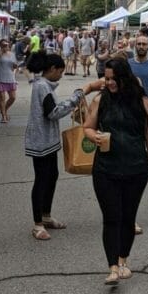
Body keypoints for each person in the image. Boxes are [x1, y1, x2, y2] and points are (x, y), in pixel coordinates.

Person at [83, 58, 148, 285]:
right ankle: (113, 268)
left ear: (124, 78)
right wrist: (94, 136)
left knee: (128, 219)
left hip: (135, 170)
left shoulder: (142, 102)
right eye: (106, 79)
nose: (108, 83)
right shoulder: (101, 100)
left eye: (112, 79)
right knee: (111, 218)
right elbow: (87, 127)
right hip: (105, 169)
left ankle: (123, 260)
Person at [24, 52, 103, 240]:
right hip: (40, 142)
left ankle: (46, 216)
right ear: (52, 69)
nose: (61, 75)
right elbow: (53, 112)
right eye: (60, 71)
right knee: (42, 180)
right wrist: (77, 96)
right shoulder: (42, 86)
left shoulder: (44, 85)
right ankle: (37, 224)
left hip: (48, 141)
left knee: (52, 176)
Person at [0, 40, 19, 124]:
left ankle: (4, 110)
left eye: (6, 45)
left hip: (10, 77)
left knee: (13, 97)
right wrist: (1, 52)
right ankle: (4, 116)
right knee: (2, 98)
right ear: (0, 45)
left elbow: (14, 66)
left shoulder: (12, 54)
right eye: (3, 45)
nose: (5, 46)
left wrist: (15, 66)